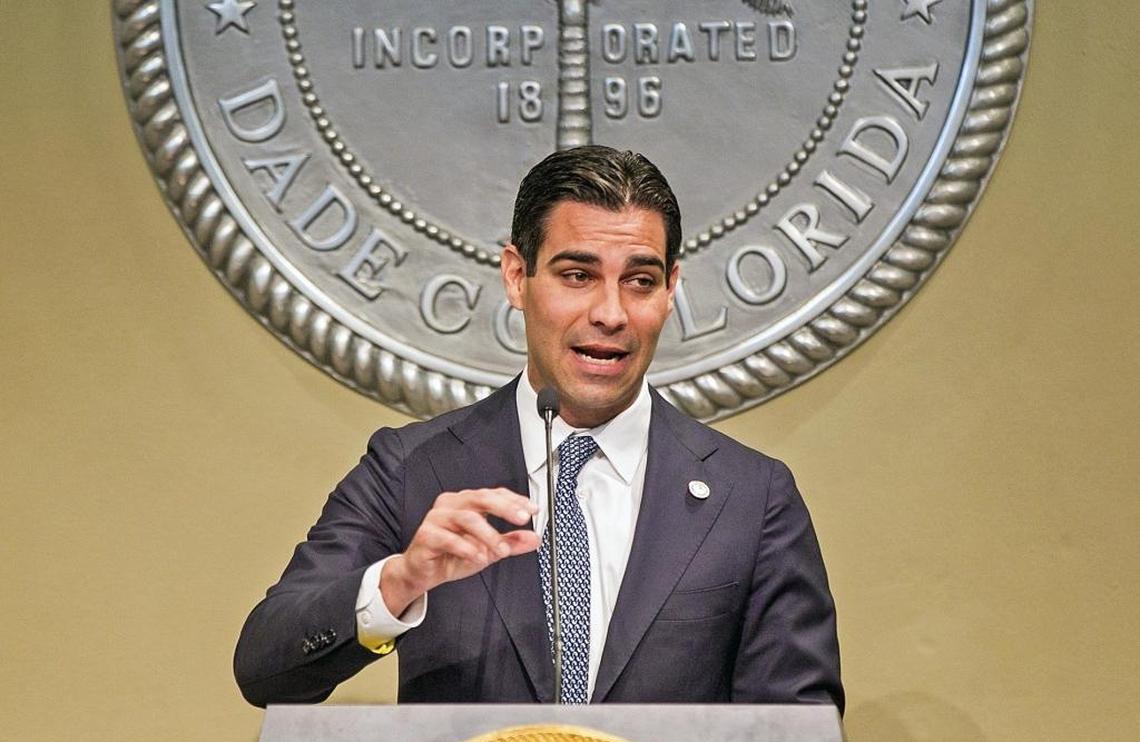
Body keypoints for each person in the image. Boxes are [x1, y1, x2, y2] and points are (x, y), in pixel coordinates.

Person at [234, 146, 843, 710]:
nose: (610, 314)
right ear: (516, 277)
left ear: (671, 290)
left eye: (640, 281)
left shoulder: (752, 497)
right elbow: (266, 665)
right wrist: (398, 582)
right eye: (577, 275)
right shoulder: (412, 469)